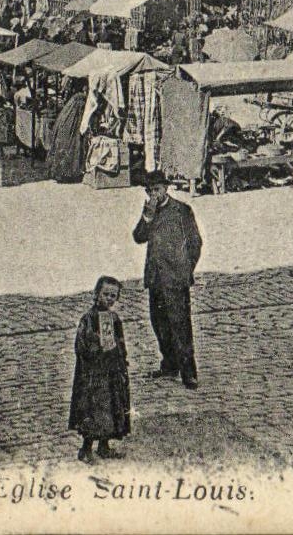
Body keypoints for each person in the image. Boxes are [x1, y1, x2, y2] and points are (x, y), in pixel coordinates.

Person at [132, 170, 203, 388]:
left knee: (180, 326)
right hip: (155, 278)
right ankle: (170, 364)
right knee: (159, 324)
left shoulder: (182, 210)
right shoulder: (150, 211)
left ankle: (189, 373)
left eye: (157, 189)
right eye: (150, 191)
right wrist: (147, 217)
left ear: (166, 188)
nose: (154, 194)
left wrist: (186, 270)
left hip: (175, 279)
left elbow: (195, 243)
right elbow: (138, 237)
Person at [68, 276, 131, 462]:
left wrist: (121, 359)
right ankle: (86, 449)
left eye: (113, 296)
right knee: (93, 409)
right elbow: (81, 346)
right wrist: (96, 348)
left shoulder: (114, 318)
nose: (109, 299)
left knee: (112, 406)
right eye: (106, 294)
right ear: (97, 294)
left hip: (111, 371)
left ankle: (104, 446)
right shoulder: (88, 319)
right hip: (94, 374)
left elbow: (120, 341)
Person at [47, 81, 89, 183]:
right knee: (71, 149)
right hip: (70, 132)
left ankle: (62, 173)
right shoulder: (80, 100)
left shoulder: (67, 112)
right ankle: (68, 173)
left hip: (67, 131)